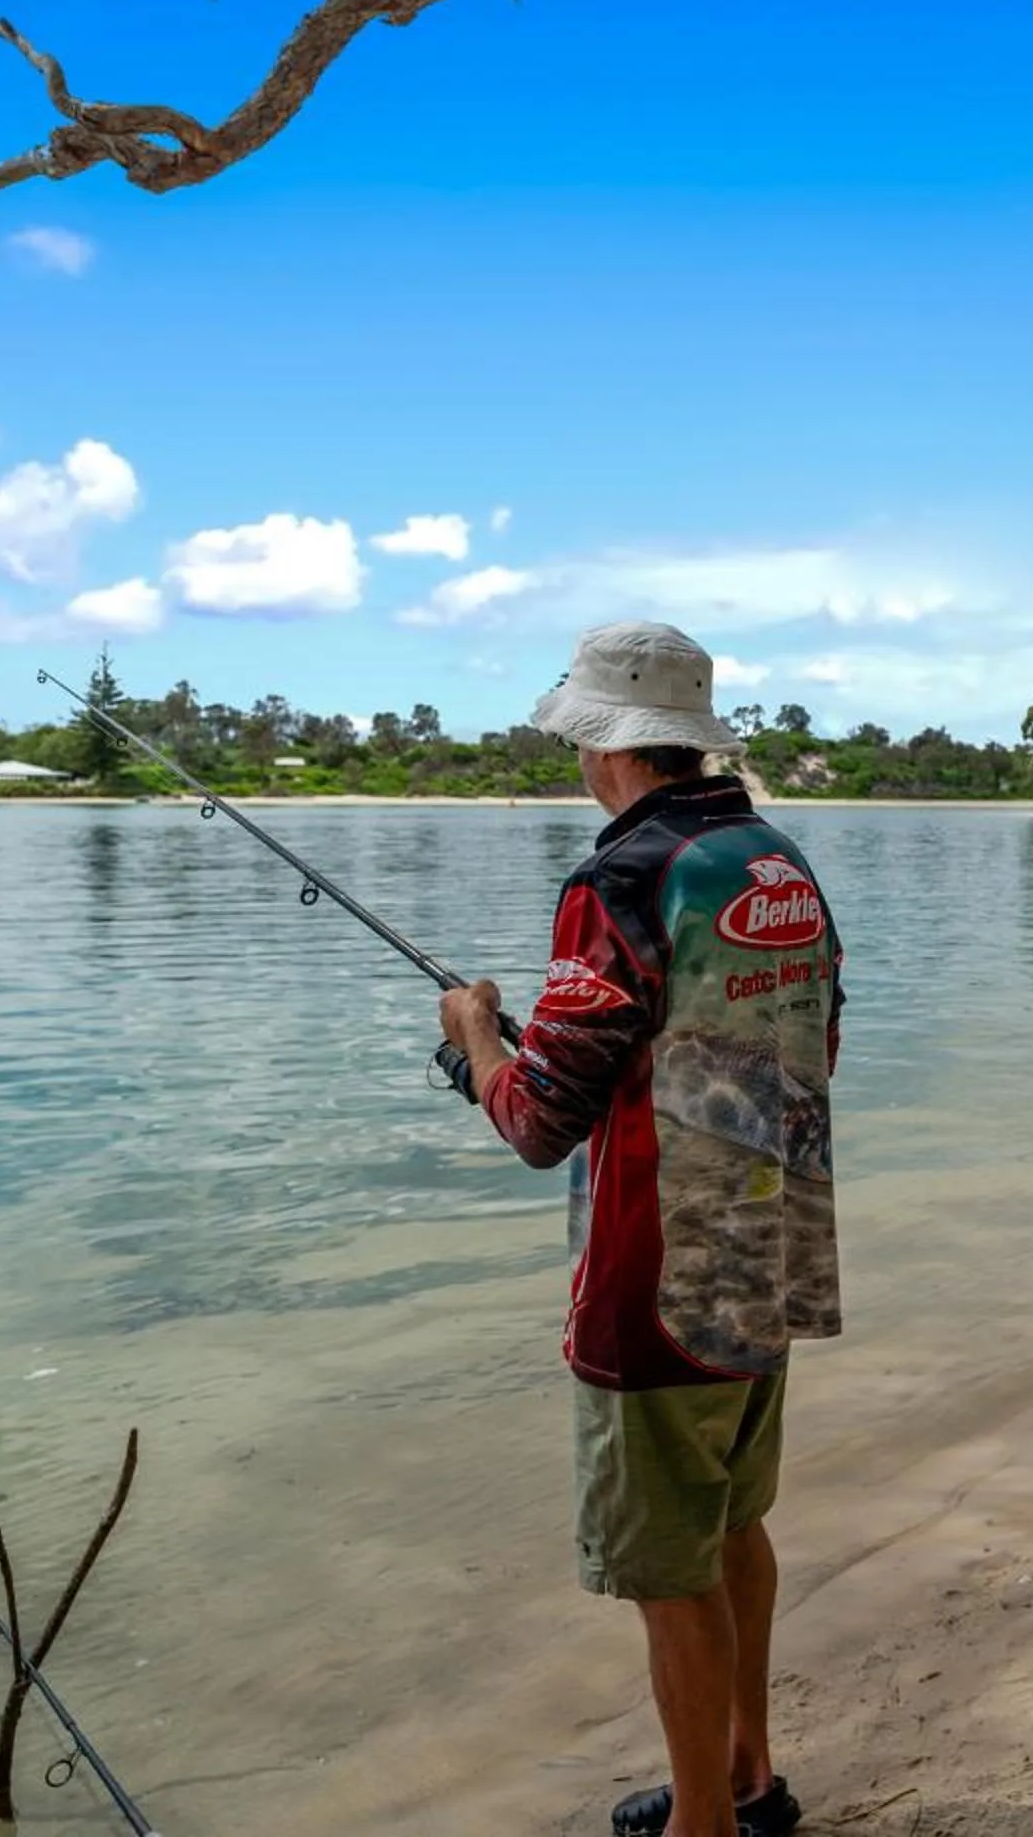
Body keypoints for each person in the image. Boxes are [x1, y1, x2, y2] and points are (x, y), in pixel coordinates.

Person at [436, 620, 843, 1837]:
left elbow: (538, 1119)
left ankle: (703, 1826)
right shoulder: (778, 861)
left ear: (609, 746)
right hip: (772, 1243)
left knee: (668, 1567)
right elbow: (811, 1046)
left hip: (659, 1271)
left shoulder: (617, 880)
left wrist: (476, 1037)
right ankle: (745, 1776)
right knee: (734, 1522)